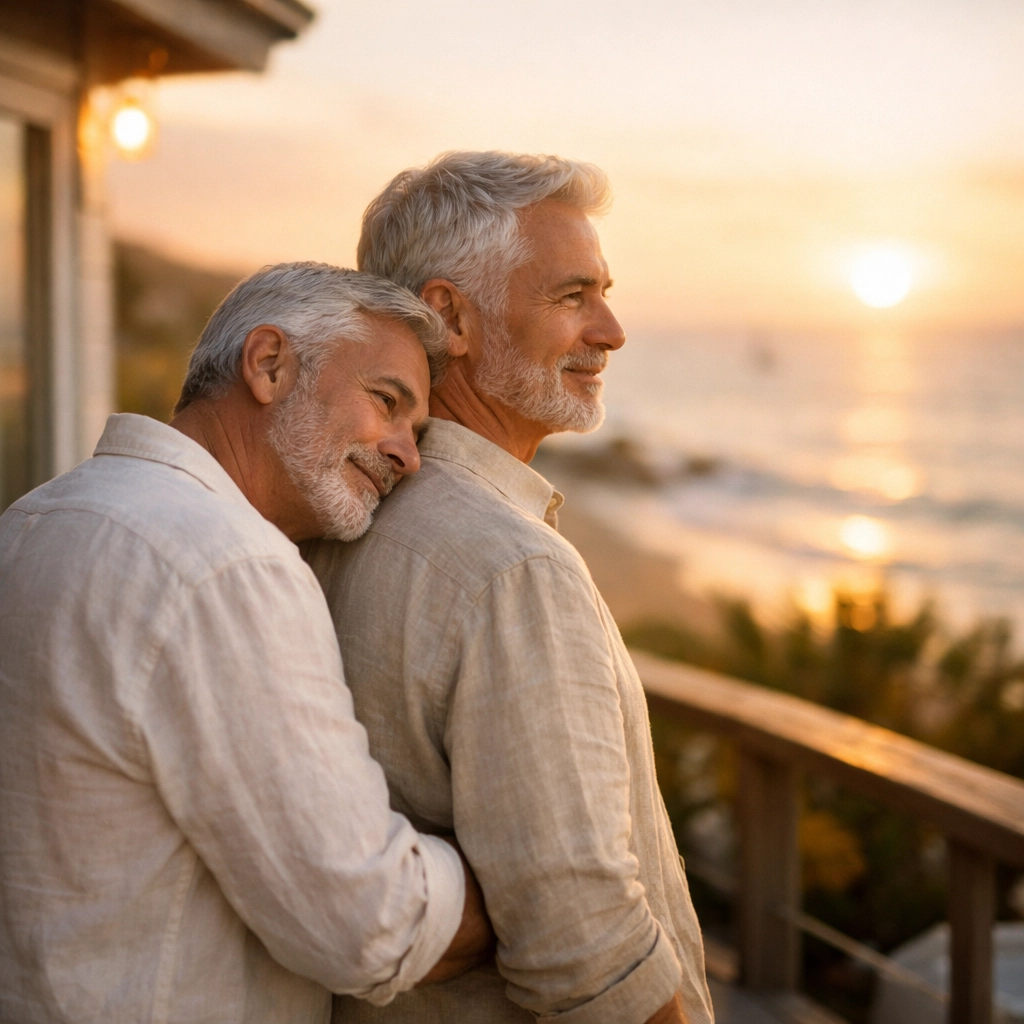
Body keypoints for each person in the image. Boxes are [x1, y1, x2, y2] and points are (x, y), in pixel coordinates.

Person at [0, 263, 494, 1024]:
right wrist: (532, 890)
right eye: (386, 402)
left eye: (417, 430)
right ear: (269, 364)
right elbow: (364, 921)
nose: (409, 454)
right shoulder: (228, 564)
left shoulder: (30, 519)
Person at [304, 155, 714, 1023]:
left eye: (605, 291)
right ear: (450, 316)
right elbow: (585, 956)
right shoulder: (512, 569)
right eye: (572, 297)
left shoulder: (332, 516)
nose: (612, 329)